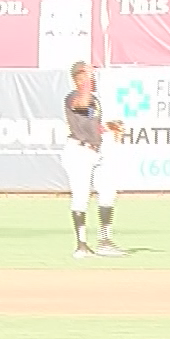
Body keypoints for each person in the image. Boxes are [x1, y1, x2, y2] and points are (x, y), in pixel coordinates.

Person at [62, 61, 125, 258]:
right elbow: (80, 104)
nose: (94, 78)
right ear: (79, 78)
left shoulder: (94, 100)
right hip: (78, 151)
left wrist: (107, 127)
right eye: (90, 75)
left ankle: (105, 241)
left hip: (97, 150)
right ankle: (81, 245)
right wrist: (86, 80)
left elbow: (89, 122)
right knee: (81, 197)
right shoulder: (73, 96)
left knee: (108, 192)